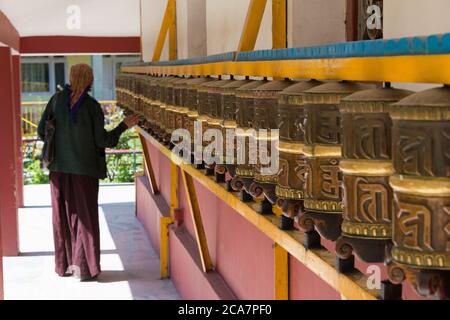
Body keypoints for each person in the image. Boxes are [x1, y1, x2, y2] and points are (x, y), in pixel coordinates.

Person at [37, 63, 140, 281]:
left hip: (58, 171)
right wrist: (124, 125)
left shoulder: (55, 100)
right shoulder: (92, 106)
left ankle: (63, 266)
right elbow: (103, 140)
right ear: (89, 79)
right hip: (84, 172)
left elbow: (40, 131)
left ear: (72, 77)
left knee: (62, 217)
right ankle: (83, 269)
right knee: (84, 218)